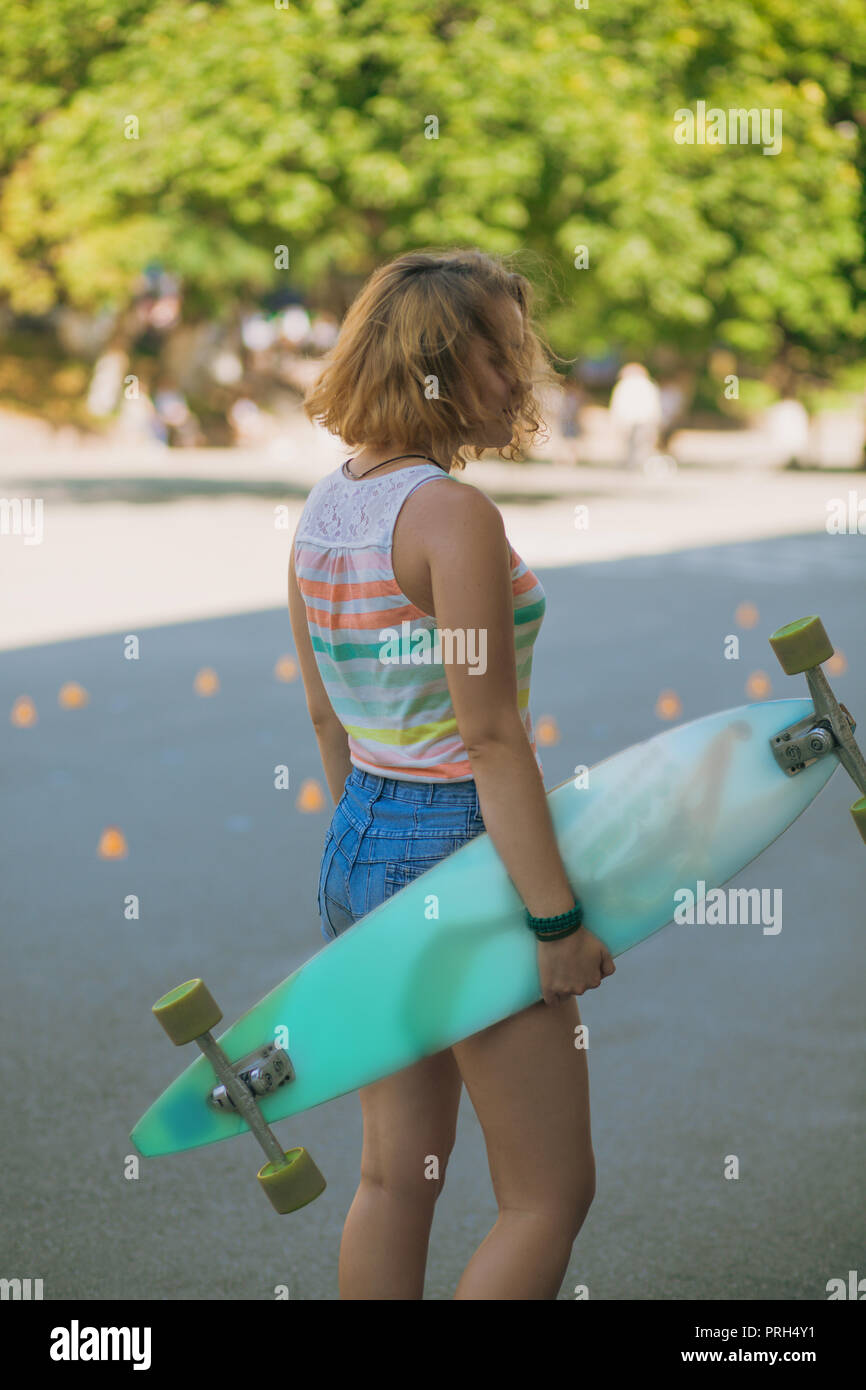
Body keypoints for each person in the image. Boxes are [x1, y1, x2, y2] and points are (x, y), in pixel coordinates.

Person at [288, 248, 615, 1301]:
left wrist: (371, 848)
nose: (521, 379)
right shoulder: (449, 516)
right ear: (440, 359)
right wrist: (555, 925)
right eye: (504, 353)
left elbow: (322, 714)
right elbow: (488, 736)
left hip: (360, 843)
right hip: (454, 851)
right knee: (546, 1194)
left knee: (393, 1174)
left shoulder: (326, 509)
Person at [609, 362, 663, 471]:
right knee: (642, 443)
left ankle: (631, 464)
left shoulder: (624, 384)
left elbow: (618, 404)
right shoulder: (648, 384)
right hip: (644, 419)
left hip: (628, 419)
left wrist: (615, 418)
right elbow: (654, 404)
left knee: (630, 444)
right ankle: (640, 464)